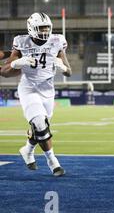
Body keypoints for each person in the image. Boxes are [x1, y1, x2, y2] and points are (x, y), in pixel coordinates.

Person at [1, 12, 72, 176]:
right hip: (29, 88)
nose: (44, 31)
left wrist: (63, 68)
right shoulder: (21, 42)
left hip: (48, 90)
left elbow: (69, 71)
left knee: (41, 128)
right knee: (40, 123)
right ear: (31, 28)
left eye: (47, 28)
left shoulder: (57, 40)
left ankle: (27, 150)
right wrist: (18, 62)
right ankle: (53, 162)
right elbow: (4, 72)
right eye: (41, 28)